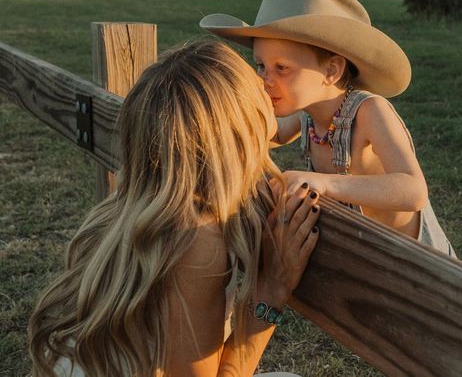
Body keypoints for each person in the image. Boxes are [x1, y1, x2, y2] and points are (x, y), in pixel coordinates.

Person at [28, 40, 321, 377]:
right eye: (254, 81)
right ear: (234, 134)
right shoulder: (197, 238)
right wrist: (271, 290)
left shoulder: (134, 200)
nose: (264, 86)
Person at [200, 0, 455, 256]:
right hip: (361, 251)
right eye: (261, 66)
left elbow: (413, 191)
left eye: (281, 68)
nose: (265, 79)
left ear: (331, 70)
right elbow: (270, 133)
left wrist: (322, 182)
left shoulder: (369, 111)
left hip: (415, 261)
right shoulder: (306, 112)